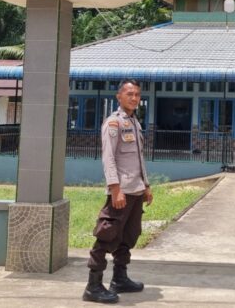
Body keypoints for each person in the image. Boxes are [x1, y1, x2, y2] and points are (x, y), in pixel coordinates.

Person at [84, 80, 153, 304]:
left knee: (128, 236)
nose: (134, 98)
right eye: (130, 94)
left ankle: (120, 279)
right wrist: (115, 189)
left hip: (136, 190)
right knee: (107, 236)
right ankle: (93, 286)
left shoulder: (135, 122)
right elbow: (109, 158)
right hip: (121, 191)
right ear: (119, 97)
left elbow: (139, 158)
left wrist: (146, 186)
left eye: (137, 95)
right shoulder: (113, 123)